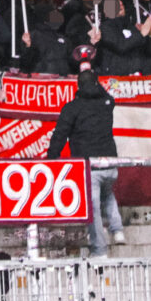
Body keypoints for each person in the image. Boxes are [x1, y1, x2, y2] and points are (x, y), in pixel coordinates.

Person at [46, 69, 123, 256]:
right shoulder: (106, 103)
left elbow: (59, 136)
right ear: (96, 84)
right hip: (111, 164)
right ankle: (118, 230)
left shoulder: (73, 107)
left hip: (90, 166)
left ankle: (100, 250)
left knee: (93, 208)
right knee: (108, 192)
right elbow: (109, 97)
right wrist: (97, 85)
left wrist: (51, 159)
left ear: (78, 86)